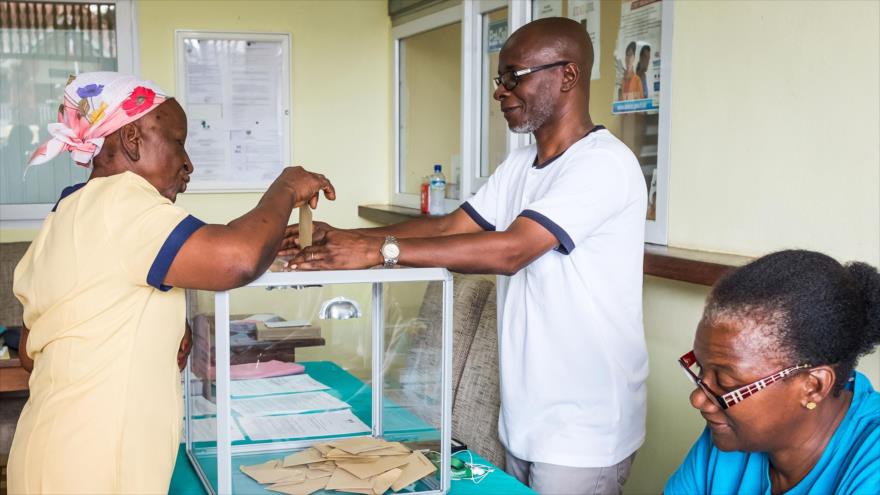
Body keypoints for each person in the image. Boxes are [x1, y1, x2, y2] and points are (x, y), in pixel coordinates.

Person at [281, 17, 648, 495]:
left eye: (514, 76)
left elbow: (513, 249)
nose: (500, 91)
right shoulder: (520, 164)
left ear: (568, 76)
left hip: (584, 425)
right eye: (500, 79)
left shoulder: (603, 164)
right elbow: (450, 227)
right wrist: (341, 235)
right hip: (527, 414)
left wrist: (376, 250)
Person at [9, 72, 334, 494]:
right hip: (93, 467)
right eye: (178, 141)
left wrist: (152, 330)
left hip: (46, 453)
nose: (188, 163)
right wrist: (286, 186)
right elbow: (237, 258)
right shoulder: (122, 201)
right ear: (131, 138)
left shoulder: (67, 212)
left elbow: (33, 351)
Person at [666, 250, 880, 495]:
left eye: (725, 382)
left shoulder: (872, 464)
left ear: (813, 387)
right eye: (701, 370)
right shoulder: (729, 429)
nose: (698, 399)